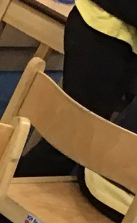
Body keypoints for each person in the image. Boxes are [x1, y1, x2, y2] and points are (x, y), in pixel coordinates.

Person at [15, 0, 137, 178]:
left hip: (120, 36)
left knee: (84, 144)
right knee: (70, 145)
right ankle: (1, 186)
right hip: (104, 30)